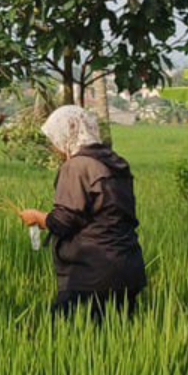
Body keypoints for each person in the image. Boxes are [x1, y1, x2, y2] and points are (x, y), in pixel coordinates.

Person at [19, 105, 146, 322]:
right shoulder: (115, 163)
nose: (54, 147)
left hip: (91, 271)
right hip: (128, 266)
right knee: (116, 333)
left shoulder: (77, 166)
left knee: (64, 331)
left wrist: (38, 218)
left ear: (67, 134)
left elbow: (64, 221)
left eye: (54, 139)